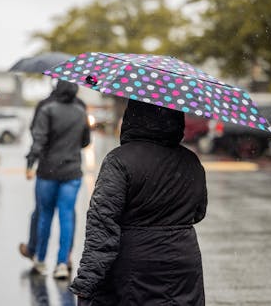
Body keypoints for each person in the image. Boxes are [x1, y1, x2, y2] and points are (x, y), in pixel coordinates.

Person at [69, 99, 207, 305]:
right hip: (183, 264)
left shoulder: (119, 160)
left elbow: (102, 226)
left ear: (133, 117)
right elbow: (198, 212)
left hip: (135, 268)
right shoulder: (191, 160)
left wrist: (86, 283)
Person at [24, 80, 91, 279]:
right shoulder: (81, 112)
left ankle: (41, 260)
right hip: (72, 172)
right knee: (67, 216)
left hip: (48, 171)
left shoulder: (48, 109)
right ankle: (62, 263)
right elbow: (86, 141)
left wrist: (30, 163)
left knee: (45, 215)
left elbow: (39, 139)